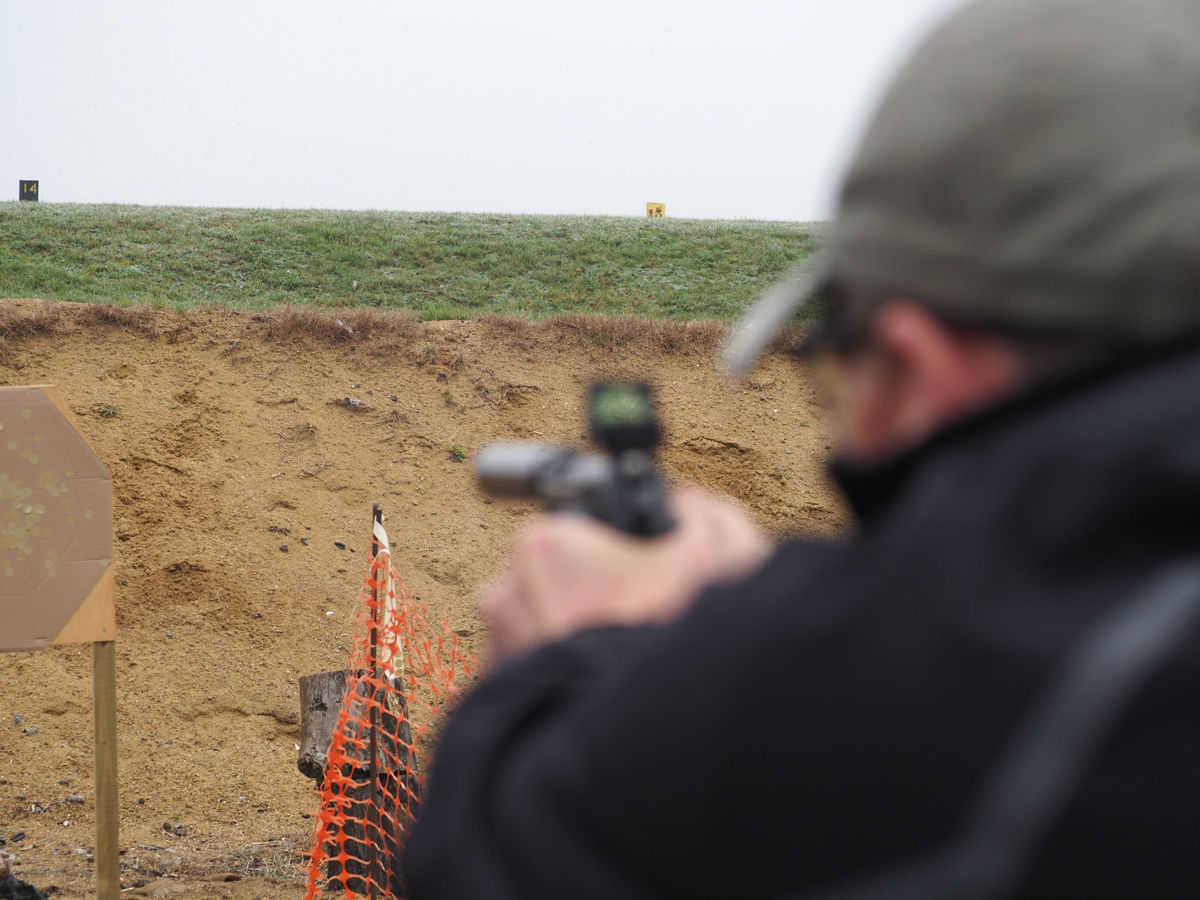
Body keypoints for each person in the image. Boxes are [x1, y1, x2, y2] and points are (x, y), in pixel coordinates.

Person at [403, 0, 1200, 896]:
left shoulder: (904, 683)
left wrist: (603, 657)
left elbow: (498, 862)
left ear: (910, 366)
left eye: (838, 369)